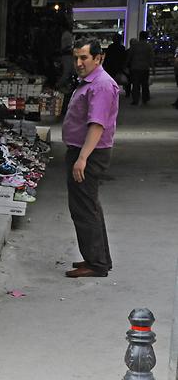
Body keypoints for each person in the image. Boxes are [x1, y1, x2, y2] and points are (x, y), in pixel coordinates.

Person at [61, 39, 119, 278]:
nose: (78, 63)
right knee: (89, 206)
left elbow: (97, 125)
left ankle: (96, 263)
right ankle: (98, 258)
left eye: (84, 58)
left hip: (90, 152)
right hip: (83, 149)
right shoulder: (90, 82)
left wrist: (82, 158)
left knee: (84, 208)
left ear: (98, 58)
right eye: (76, 58)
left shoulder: (102, 85)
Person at [125, 30, 154, 105]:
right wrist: (153, 67)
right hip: (145, 67)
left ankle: (135, 99)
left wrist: (126, 65)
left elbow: (130, 56)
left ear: (140, 36)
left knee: (135, 84)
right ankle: (145, 98)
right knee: (145, 84)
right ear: (146, 37)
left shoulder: (135, 46)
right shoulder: (148, 46)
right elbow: (151, 57)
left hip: (135, 67)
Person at [56, 21, 75, 90]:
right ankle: (58, 85)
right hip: (67, 55)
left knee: (68, 71)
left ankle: (62, 85)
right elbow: (66, 47)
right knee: (67, 72)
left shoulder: (66, 34)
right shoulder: (67, 34)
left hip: (67, 55)